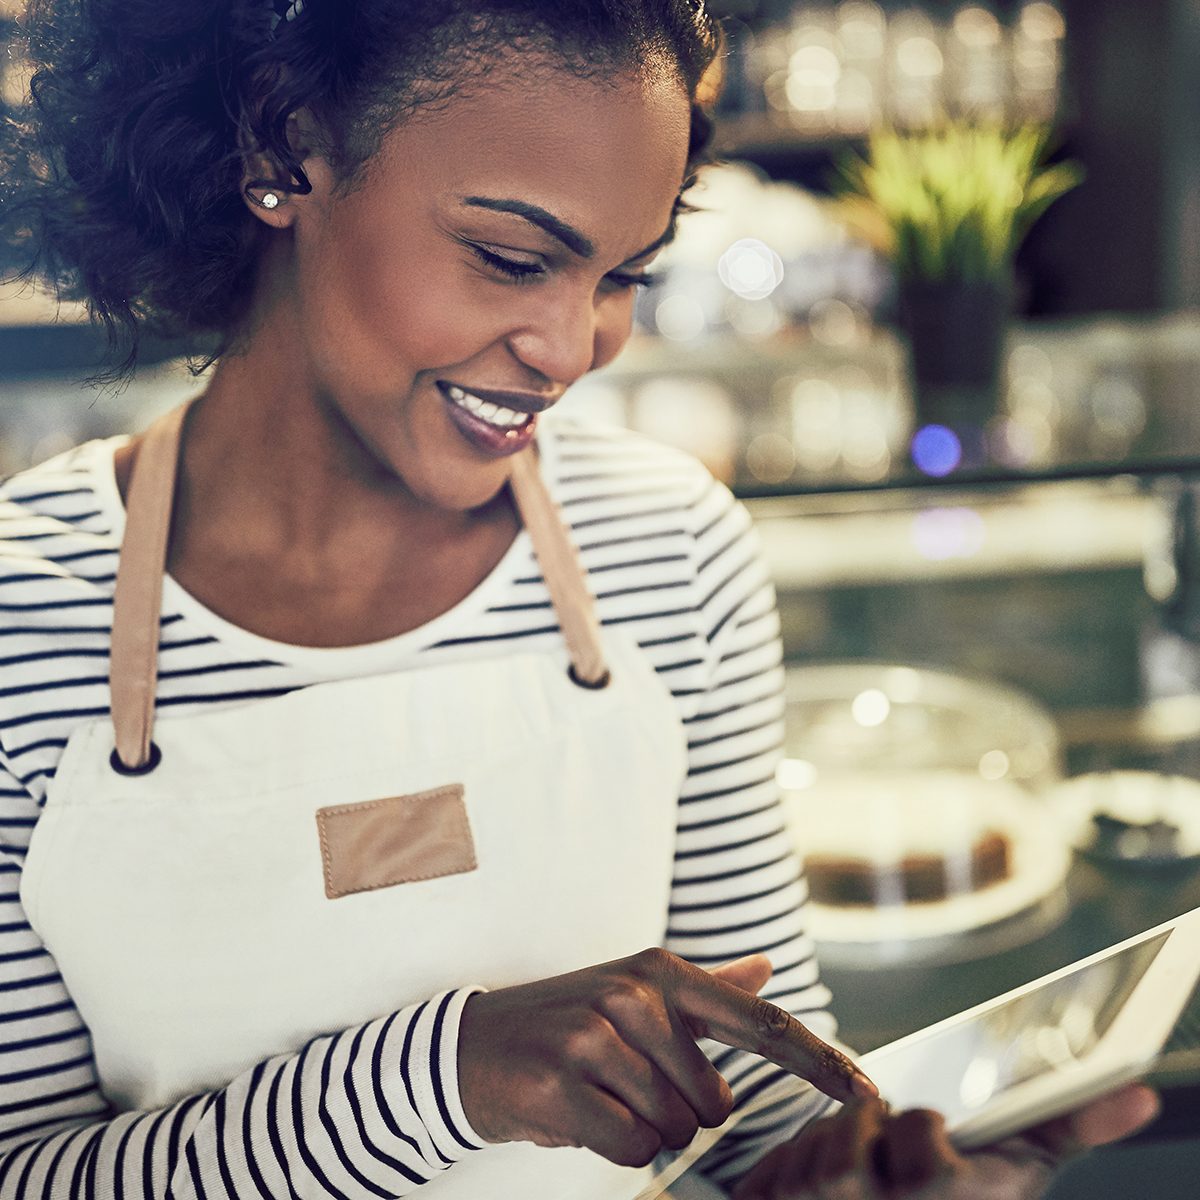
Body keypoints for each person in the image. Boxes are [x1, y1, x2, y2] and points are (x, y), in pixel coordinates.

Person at [0, 1, 1157, 1197]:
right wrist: (442, 1079)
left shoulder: (668, 548)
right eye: (512, 257)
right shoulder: (22, 619)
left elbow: (755, 1093)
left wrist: (855, 1174)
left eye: (623, 275)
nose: (572, 346)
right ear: (281, 151)